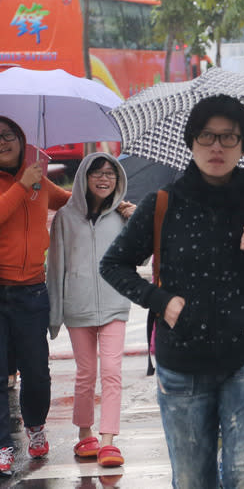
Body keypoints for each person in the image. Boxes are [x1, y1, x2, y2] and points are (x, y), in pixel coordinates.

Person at [100, 94, 244, 488]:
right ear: (191, 141)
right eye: (207, 136)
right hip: (182, 364)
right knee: (192, 480)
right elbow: (113, 265)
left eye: (229, 137)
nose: (218, 147)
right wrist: (161, 302)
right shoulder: (164, 203)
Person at [47, 152, 132, 468]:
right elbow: (55, 268)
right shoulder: (65, 218)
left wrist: (136, 224)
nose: (104, 178)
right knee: (86, 373)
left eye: (110, 173)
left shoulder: (123, 217)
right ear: (84, 176)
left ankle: (108, 441)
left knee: (112, 372)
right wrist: (54, 316)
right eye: (97, 172)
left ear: (117, 179)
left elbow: (141, 260)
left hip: (114, 305)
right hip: (77, 306)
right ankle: (86, 434)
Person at [0, 116, 72, 474]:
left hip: (31, 292)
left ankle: (36, 427)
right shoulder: (22, 182)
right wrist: (20, 185)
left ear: (20, 139)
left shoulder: (39, 181)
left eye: (8, 135)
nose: (2, 142)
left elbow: (71, 203)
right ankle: (3, 445)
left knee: (36, 371)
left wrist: (114, 203)